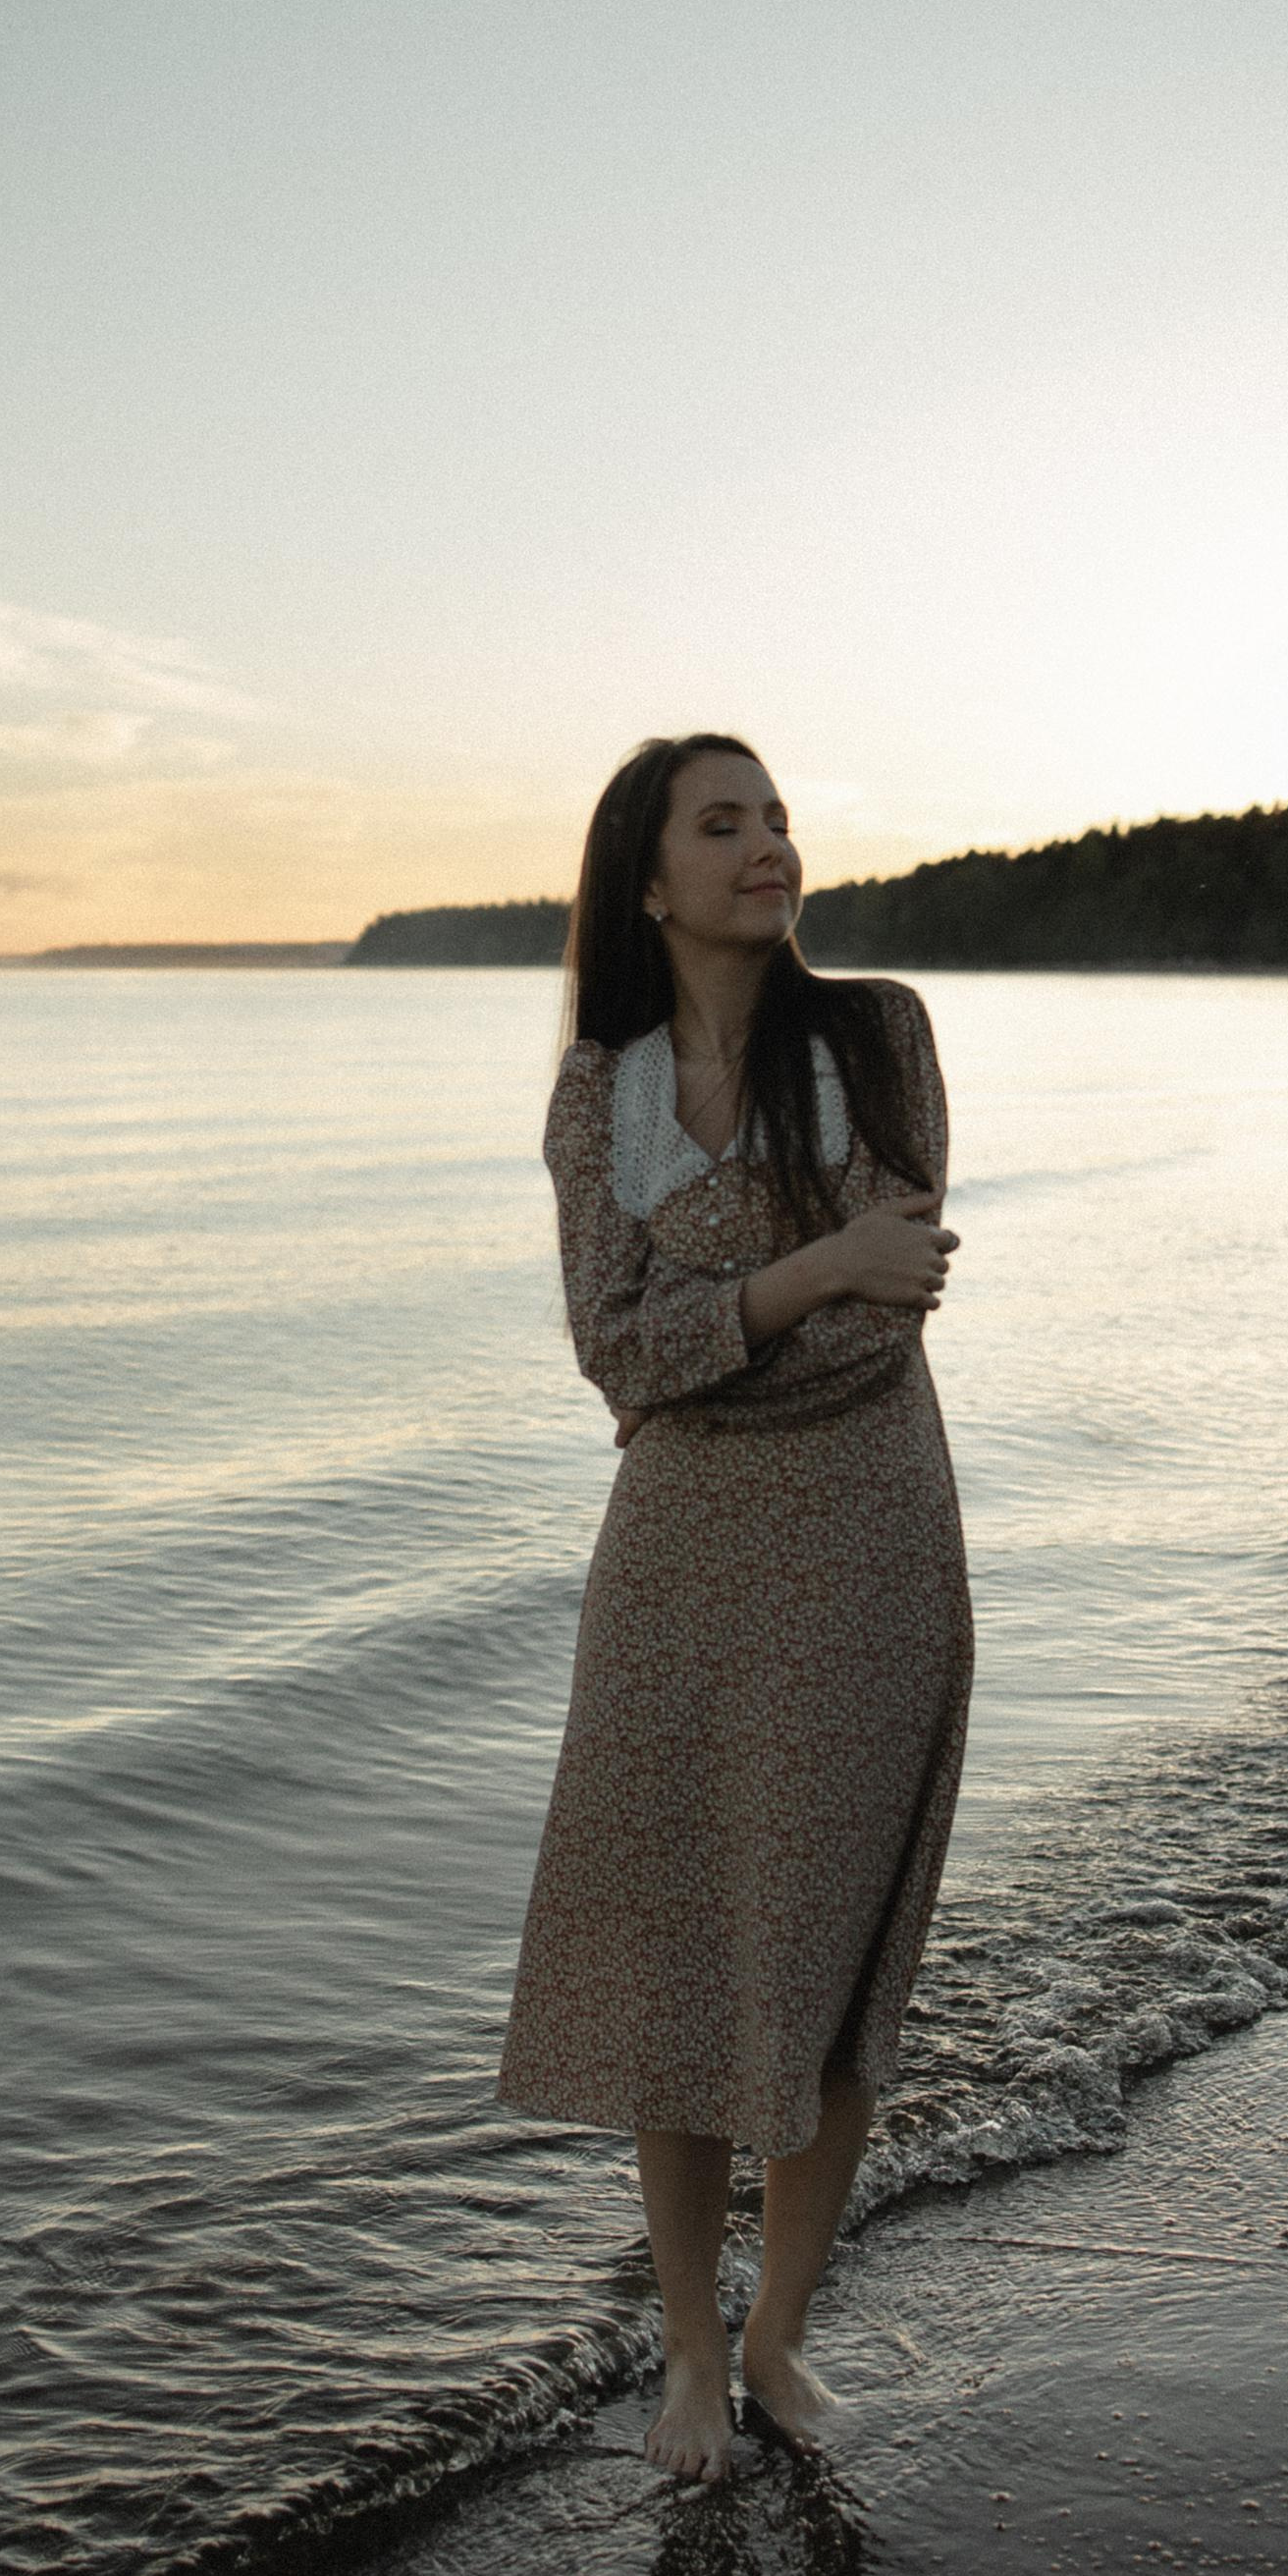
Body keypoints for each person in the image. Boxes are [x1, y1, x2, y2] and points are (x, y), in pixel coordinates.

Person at [498, 733, 973, 2481]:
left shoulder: (877, 1033)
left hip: (868, 1545)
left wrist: (725, 1328)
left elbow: (889, 1312)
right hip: (677, 1574)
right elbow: (606, 1349)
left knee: (832, 1953)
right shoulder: (593, 1094)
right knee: (682, 1959)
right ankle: (688, 2354)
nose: (770, 847)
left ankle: (780, 2337)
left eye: (776, 816)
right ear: (648, 879)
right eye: (725, 824)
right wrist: (807, 1270)